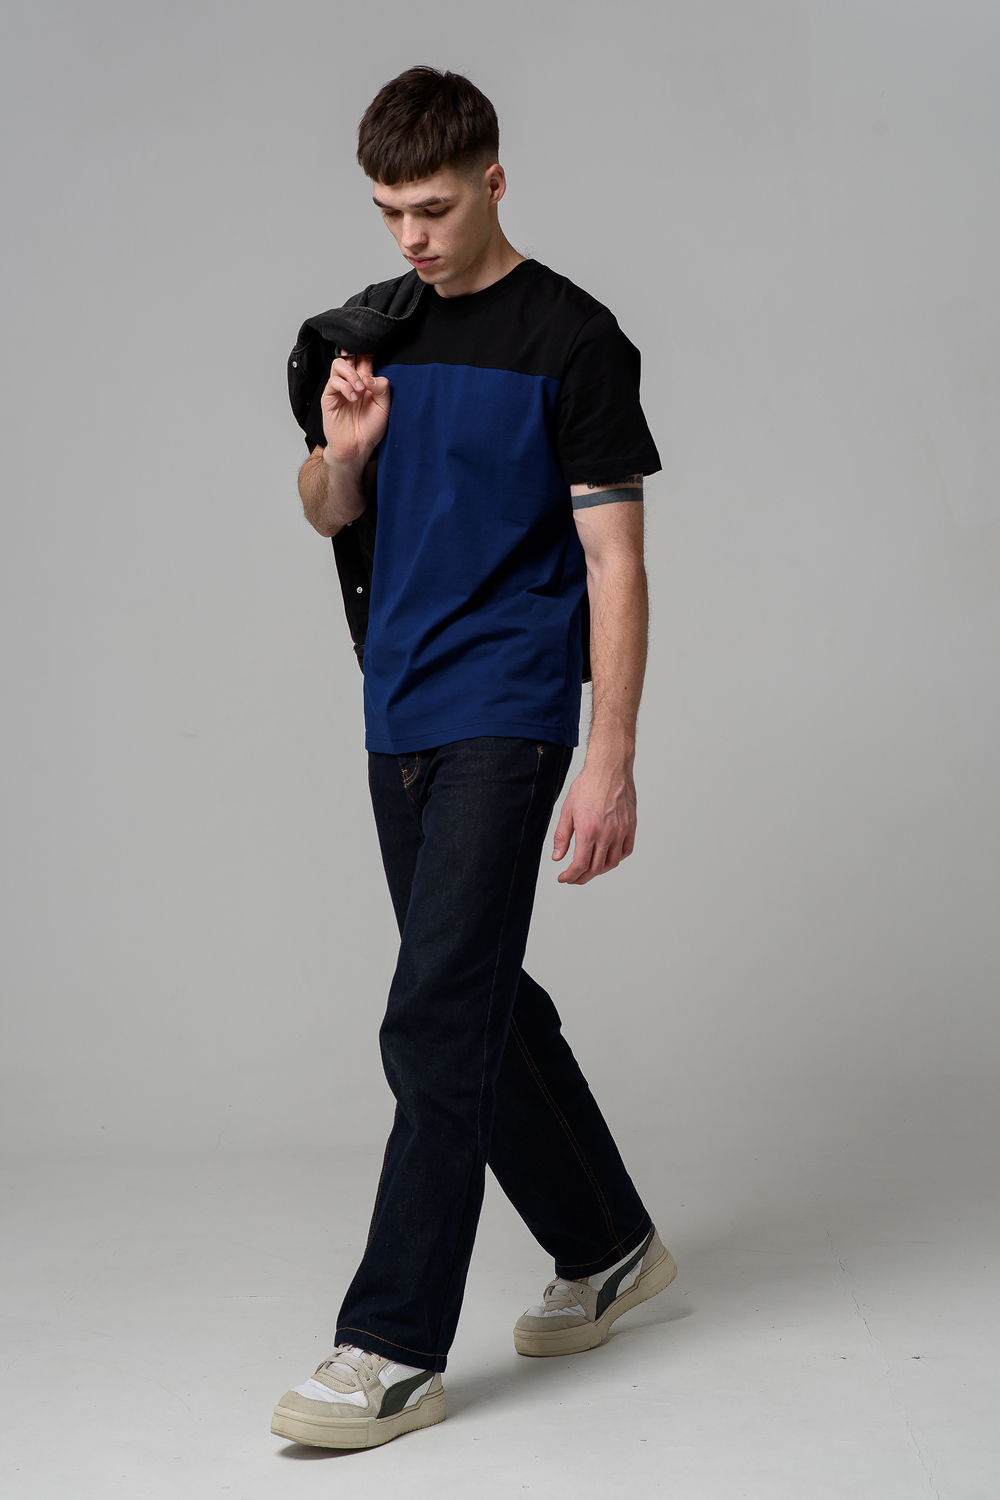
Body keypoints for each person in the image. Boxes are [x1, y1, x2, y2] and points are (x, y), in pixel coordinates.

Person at [271, 66, 675, 1452]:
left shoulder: (576, 340)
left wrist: (610, 757)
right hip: (398, 706)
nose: (412, 238)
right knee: (479, 989)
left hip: (511, 704)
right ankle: (608, 1241)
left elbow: (615, 564)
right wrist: (343, 452)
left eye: (434, 208)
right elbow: (325, 510)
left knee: (435, 1010)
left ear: (493, 181)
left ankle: (391, 1346)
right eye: (390, 211)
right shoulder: (364, 333)